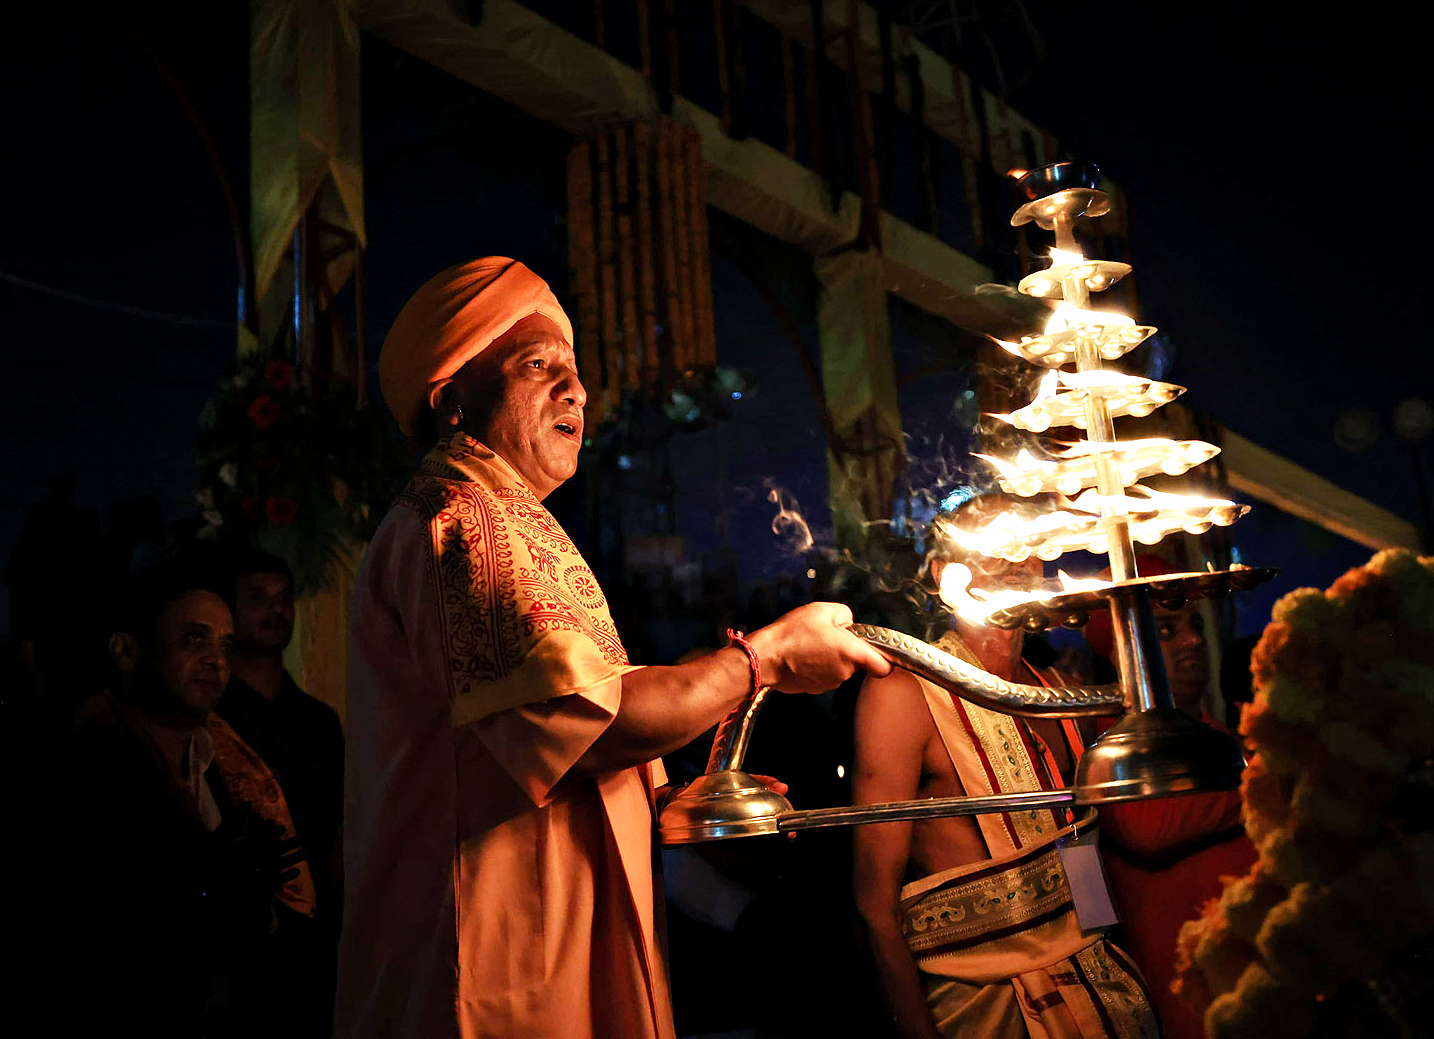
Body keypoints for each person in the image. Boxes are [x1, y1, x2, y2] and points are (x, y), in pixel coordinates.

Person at [335, 257, 891, 1039]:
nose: (578, 391)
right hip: (490, 968)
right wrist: (766, 658)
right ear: (452, 400)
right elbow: (599, 723)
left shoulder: (506, 517)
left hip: (549, 946)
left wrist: (693, 792)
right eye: (539, 365)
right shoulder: (463, 516)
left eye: (575, 369)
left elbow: (575, 735)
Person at [851, 495, 1158, 1039]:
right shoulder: (903, 694)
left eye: (1028, 542)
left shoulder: (1056, 692)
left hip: (1106, 995)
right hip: (983, 1010)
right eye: (994, 544)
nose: (1018, 560)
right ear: (947, 574)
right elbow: (874, 902)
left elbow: (1086, 863)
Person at [62, 561, 321, 1037]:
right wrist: (204, 885)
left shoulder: (226, 762)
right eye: (193, 640)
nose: (216, 661)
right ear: (126, 650)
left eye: (225, 645)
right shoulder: (88, 768)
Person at [1083, 556, 1256, 1039]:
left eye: (1194, 623)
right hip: (1193, 1000)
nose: (1194, 640)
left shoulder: (1211, 733)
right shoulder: (1114, 749)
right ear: (1124, 650)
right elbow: (1149, 826)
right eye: (1166, 628)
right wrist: (1263, 786)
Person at [216, 549, 345, 923]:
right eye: (257, 598)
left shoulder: (319, 720)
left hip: (317, 919)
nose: (276, 611)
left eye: (283, 598)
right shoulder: (213, 717)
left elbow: (337, 829)